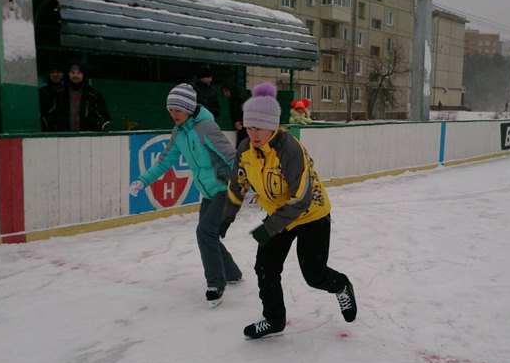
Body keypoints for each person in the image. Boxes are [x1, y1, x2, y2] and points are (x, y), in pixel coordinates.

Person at [220, 82, 357, 339]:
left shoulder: (289, 150)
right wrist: (227, 216)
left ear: (272, 126)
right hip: (279, 214)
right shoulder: (245, 150)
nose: (253, 134)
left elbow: (301, 199)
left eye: (259, 128)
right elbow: (238, 184)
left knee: (314, 275)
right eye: (249, 127)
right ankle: (274, 319)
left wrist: (269, 228)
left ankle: (341, 286)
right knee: (265, 268)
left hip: (311, 214)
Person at [128, 83, 242, 307]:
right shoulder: (179, 133)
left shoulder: (206, 128)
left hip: (225, 189)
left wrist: (248, 185)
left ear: (189, 108)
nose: (174, 114)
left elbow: (232, 157)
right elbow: (164, 162)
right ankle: (232, 273)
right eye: (171, 109)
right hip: (208, 192)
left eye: (178, 109)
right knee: (208, 234)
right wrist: (143, 180)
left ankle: (215, 284)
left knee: (205, 232)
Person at [50, 62, 111, 131]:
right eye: (72, 72)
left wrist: (96, 131)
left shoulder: (93, 95)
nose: (75, 75)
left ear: (83, 75)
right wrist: (54, 129)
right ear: (68, 74)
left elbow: (105, 117)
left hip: (87, 136)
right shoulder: (58, 93)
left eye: (79, 73)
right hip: (62, 135)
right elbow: (49, 115)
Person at [39, 64, 64, 131]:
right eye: (52, 72)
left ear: (63, 74)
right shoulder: (42, 92)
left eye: (58, 72)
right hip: (45, 129)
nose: (55, 75)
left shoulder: (67, 91)